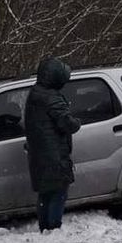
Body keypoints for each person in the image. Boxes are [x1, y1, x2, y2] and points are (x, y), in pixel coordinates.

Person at [24, 57, 81, 232]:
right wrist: (77, 121)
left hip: (38, 154)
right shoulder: (51, 98)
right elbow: (66, 123)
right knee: (58, 192)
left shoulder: (34, 93)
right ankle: (54, 228)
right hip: (54, 155)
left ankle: (44, 228)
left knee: (45, 193)